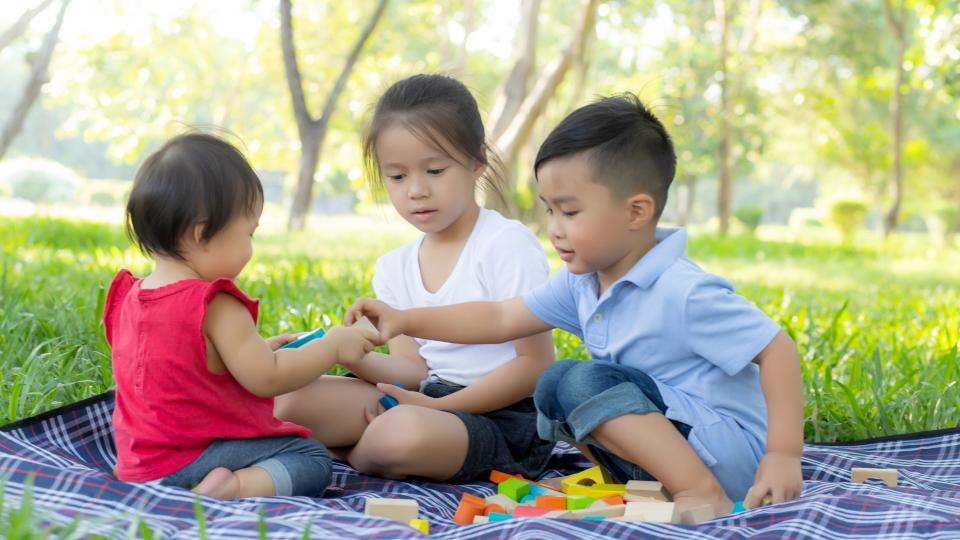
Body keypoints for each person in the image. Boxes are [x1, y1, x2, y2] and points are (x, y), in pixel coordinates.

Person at [345, 93, 804, 516]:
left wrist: (782, 457)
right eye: (548, 210)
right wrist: (404, 319)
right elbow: (501, 316)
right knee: (554, 390)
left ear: (636, 212)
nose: (555, 229)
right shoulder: (582, 283)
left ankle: (702, 494)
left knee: (572, 379)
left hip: (728, 454)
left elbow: (776, 349)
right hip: (660, 456)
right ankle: (661, 485)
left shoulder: (682, 289)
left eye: (570, 211)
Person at [275, 74, 556, 483]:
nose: (417, 191)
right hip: (423, 398)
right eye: (398, 176)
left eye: (435, 170)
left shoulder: (506, 244)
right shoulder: (395, 266)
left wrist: (434, 408)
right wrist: (345, 353)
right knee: (288, 400)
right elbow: (413, 370)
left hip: (502, 419)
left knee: (401, 434)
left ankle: (350, 451)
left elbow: (535, 365)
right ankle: (357, 446)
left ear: (477, 162)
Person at [104, 133, 377, 499]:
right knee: (310, 456)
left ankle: (210, 482)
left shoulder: (129, 297)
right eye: (248, 233)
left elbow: (178, 364)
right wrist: (332, 347)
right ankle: (232, 488)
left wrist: (256, 347)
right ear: (202, 234)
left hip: (138, 465)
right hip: (190, 459)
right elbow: (269, 377)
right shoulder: (214, 303)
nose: (251, 248)